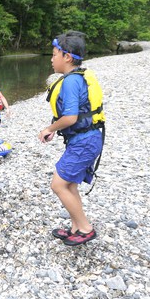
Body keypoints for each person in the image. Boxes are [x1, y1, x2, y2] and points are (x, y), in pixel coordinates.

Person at [38, 31, 105, 246]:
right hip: (86, 139)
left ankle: (85, 228)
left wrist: (49, 128)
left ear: (67, 57)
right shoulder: (76, 78)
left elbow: (70, 117)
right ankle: (76, 227)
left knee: (58, 185)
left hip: (84, 141)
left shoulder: (70, 82)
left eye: (54, 53)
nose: (51, 58)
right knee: (70, 185)